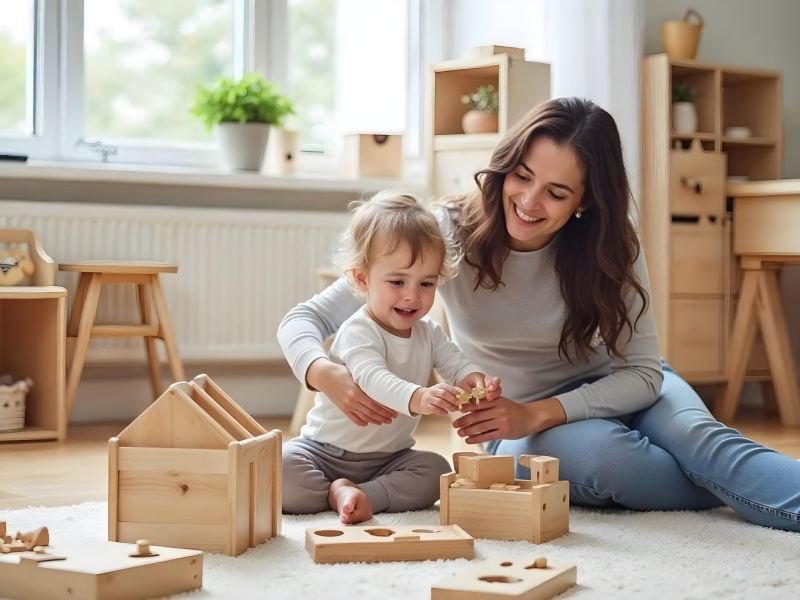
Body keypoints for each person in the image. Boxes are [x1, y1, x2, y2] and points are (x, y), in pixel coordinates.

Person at [279, 97, 800, 532]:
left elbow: (642, 374)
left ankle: (743, 482)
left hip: (622, 394)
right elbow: (301, 323)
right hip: (515, 424)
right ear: (504, 166)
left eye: (556, 192)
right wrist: (325, 373)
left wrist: (542, 411)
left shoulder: (610, 246)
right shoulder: (444, 233)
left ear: (585, 202)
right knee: (610, 463)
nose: (528, 202)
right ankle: (729, 483)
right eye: (522, 177)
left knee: (701, 440)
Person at [282, 191, 500, 524]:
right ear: (361, 278)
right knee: (282, 472)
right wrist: (420, 397)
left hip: (390, 458)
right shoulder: (359, 329)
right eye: (397, 281)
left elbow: (456, 362)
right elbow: (373, 379)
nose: (412, 296)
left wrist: (474, 379)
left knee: (437, 472)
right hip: (325, 452)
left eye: (426, 283)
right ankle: (338, 490)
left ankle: (364, 494)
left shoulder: (428, 332)